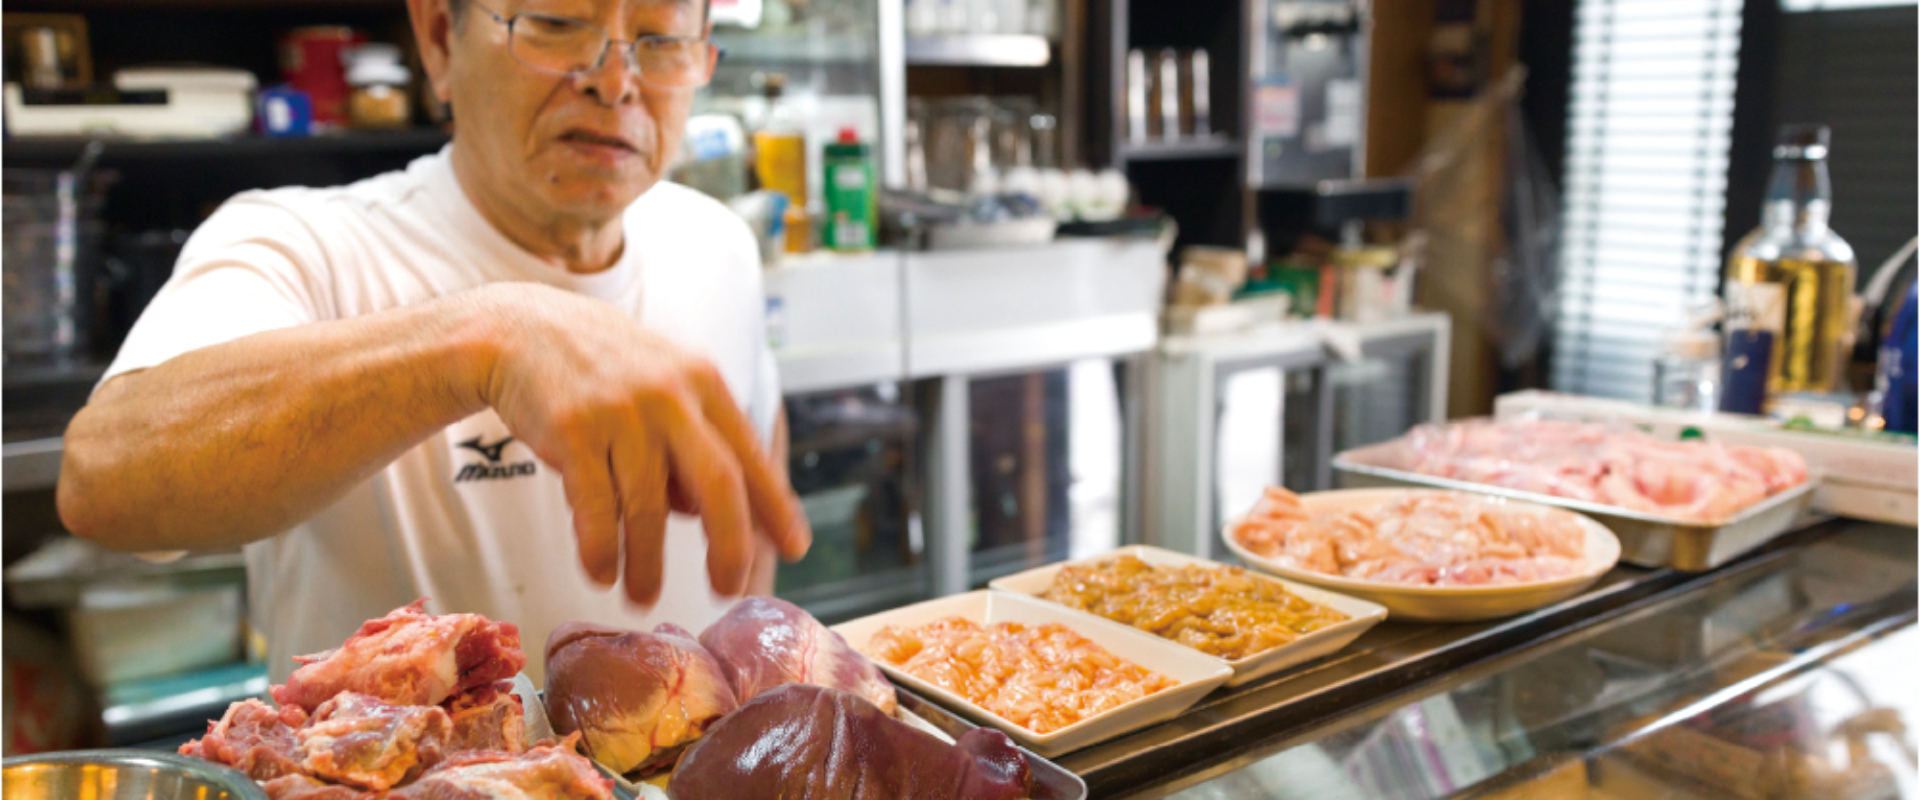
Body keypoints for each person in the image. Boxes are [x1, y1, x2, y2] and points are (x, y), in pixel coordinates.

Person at [55, 0, 811, 684]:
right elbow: (104, 478)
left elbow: (753, 482)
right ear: (441, 39)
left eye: (663, 38)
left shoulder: (716, 243)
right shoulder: (303, 242)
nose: (615, 82)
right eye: (554, 23)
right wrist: (486, 341)